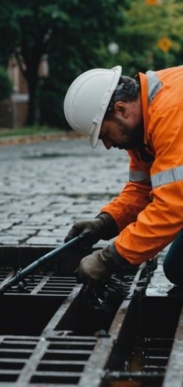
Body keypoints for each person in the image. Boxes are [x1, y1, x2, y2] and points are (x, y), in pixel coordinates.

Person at [63, 65, 183, 288]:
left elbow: (173, 206)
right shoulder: (142, 128)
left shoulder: (171, 113)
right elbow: (142, 190)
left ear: (121, 110)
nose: (108, 145)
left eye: (105, 135)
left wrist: (110, 258)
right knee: (178, 267)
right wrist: (106, 223)